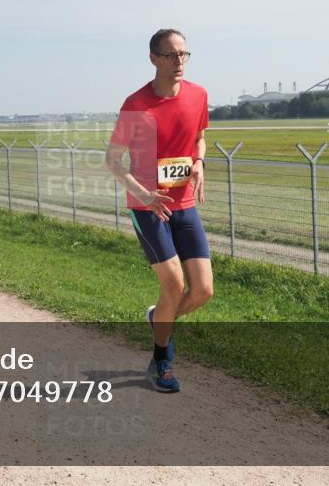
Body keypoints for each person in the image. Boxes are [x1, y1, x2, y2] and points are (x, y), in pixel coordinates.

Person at [105, 28, 213, 393]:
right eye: (170, 55)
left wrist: (198, 163)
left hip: (184, 205)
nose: (178, 61)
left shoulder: (198, 96)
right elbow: (113, 159)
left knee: (203, 292)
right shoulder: (138, 105)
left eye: (183, 54)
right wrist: (143, 193)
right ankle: (162, 360)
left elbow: (199, 136)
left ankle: (159, 319)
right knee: (174, 284)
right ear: (153, 58)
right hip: (147, 207)